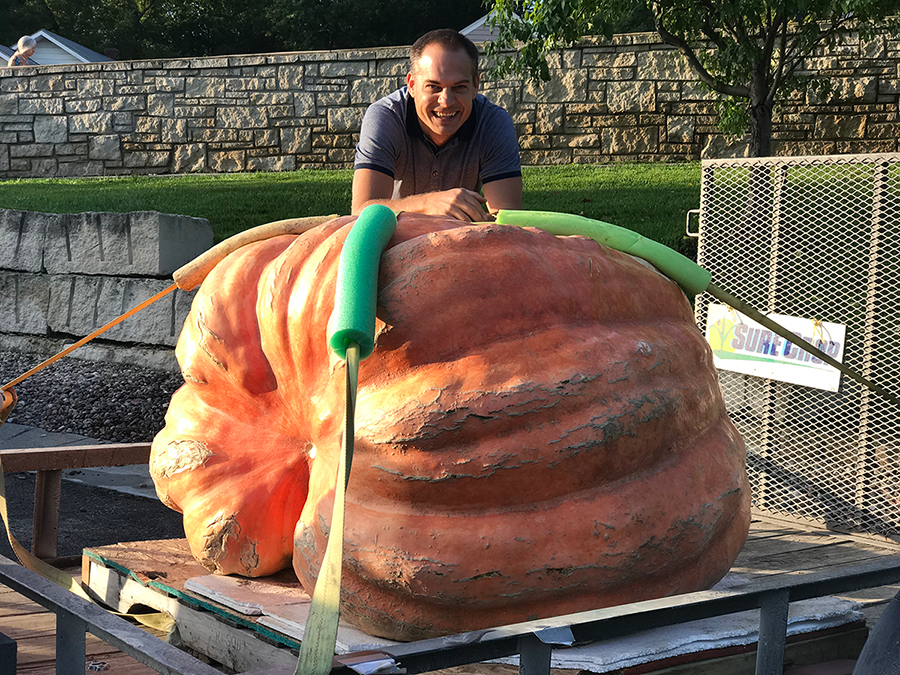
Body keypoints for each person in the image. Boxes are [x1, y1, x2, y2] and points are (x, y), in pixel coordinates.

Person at [352, 29, 522, 221]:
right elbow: (361, 212)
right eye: (433, 87)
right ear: (412, 85)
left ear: (476, 86)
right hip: (395, 235)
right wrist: (429, 203)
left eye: (459, 87)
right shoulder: (386, 117)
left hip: (461, 237)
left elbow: (506, 220)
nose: (446, 101)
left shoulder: (493, 123)